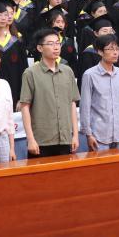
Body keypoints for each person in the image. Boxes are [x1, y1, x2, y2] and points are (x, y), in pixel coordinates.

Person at [20, 28, 80, 156]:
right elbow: (25, 107)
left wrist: (75, 135)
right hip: (41, 141)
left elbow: (72, 104)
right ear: (40, 48)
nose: (56, 47)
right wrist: (30, 139)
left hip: (65, 139)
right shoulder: (30, 73)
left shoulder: (67, 71)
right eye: (51, 44)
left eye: (58, 43)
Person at [79, 33, 119, 151]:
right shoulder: (90, 75)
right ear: (100, 52)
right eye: (110, 49)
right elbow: (85, 106)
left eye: (117, 49)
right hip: (98, 135)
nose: (115, 52)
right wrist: (88, 134)